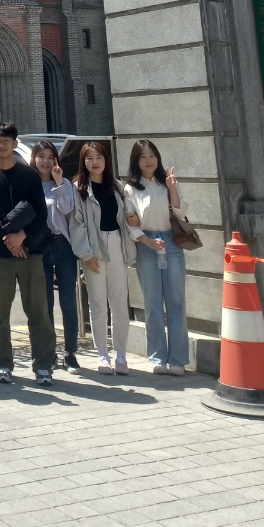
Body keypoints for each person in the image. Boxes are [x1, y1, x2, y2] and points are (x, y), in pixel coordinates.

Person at [0, 123, 57, 385]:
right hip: (0, 256)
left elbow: (40, 214)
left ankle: (43, 366)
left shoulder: (29, 175)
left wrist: (24, 238)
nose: (2, 145)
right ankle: (2, 364)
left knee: (39, 313)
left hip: (31, 254)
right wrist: (10, 240)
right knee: (0, 315)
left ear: (14, 143)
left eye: (7, 140)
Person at [123, 140, 189, 377]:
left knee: (177, 301)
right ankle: (159, 357)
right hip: (147, 246)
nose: (148, 161)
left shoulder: (167, 183)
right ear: (136, 161)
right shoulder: (130, 188)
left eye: (152, 156)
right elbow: (130, 222)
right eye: (142, 157)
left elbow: (181, 214)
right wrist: (146, 240)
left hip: (171, 243)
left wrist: (172, 188)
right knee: (152, 304)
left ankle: (179, 359)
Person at [69, 141, 133, 374]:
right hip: (93, 249)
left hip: (116, 243)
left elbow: (129, 216)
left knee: (119, 303)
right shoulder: (78, 189)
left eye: (99, 157)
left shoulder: (117, 187)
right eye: (89, 158)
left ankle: (122, 356)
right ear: (83, 162)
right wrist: (86, 254)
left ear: (106, 161)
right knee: (97, 303)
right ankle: (102, 355)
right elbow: (76, 224)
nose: (94, 162)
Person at [31, 139, 80, 373]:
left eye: (51, 157)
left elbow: (67, 209)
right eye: (41, 156)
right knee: (45, 303)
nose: (46, 161)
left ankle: (70, 353)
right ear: (34, 159)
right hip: (41, 247)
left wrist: (60, 182)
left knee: (68, 302)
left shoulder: (65, 184)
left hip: (63, 246)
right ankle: (48, 352)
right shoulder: (29, 184)